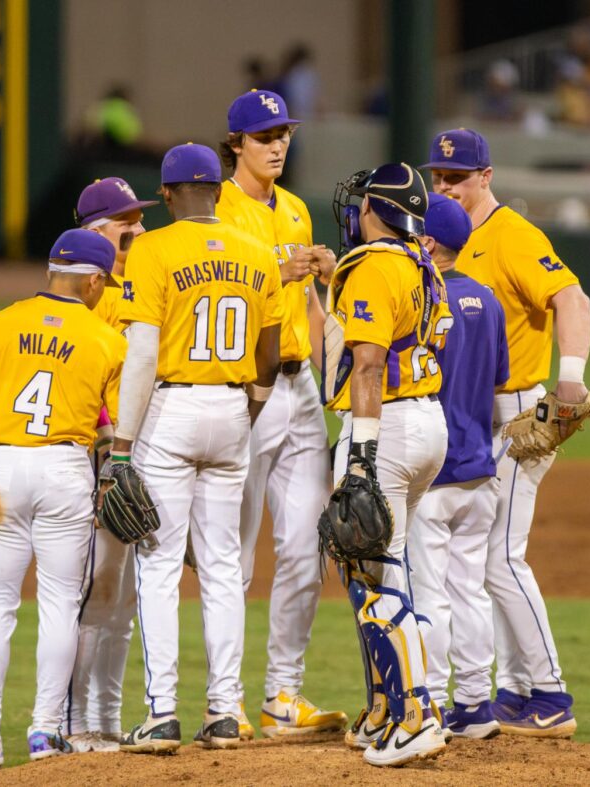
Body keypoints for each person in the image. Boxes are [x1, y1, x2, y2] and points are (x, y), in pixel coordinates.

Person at [421, 128, 590, 738]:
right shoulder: (440, 235)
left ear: (486, 176)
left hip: (519, 415)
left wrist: (569, 378)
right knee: (484, 562)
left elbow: (572, 298)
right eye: (438, 177)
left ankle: (550, 691)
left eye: (457, 178)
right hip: (473, 414)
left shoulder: (514, 235)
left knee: (499, 557)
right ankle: (518, 692)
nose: (445, 187)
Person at [112, 143, 284, 754]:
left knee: (159, 565)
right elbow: (272, 351)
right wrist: (252, 407)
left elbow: (139, 352)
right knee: (222, 568)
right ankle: (224, 711)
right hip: (233, 411)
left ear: (165, 194)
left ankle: (161, 712)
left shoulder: (155, 248)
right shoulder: (258, 252)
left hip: (171, 411)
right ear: (216, 190)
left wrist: (123, 447)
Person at [0, 229, 128, 769]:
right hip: (65, 474)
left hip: (2, 474)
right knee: (60, 606)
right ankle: (46, 732)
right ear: (93, 280)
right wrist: (116, 468)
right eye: (103, 283)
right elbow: (113, 431)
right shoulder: (105, 340)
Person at [215, 88, 345, 740]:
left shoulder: (295, 209)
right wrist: (277, 269)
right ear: (236, 143)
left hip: (297, 393)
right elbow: (219, 287)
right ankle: (225, 700)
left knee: (302, 550)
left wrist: (322, 278)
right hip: (245, 393)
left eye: (284, 133)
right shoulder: (217, 208)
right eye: (265, 135)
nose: (278, 144)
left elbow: (311, 314)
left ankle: (280, 695)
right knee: (233, 557)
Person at [324, 162, 451, 767]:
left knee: (376, 578)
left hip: (388, 428)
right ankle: (385, 708)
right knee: (383, 569)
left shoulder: (374, 266)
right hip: (428, 424)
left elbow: (369, 365)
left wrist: (360, 459)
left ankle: (418, 715)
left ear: (375, 208)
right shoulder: (419, 262)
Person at [406, 194, 509, 741]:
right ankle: (475, 703)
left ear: (426, 242)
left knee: (431, 595)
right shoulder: (488, 301)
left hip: (434, 474)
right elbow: (497, 379)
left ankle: (435, 704)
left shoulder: (423, 296)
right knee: (471, 590)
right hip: (480, 469)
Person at [62, 177, 157, 752]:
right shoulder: (86, 296)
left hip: (138, 449)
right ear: (96, 232)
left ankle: (106, 719)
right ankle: (71, 722)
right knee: (92, 590)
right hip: (96, 454)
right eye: (128, 222)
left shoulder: (138, 286)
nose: (140, 229)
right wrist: (105, 452)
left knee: (121, 597)